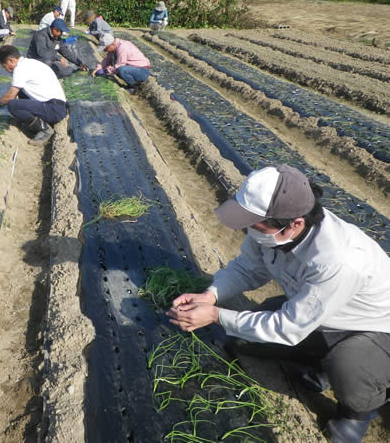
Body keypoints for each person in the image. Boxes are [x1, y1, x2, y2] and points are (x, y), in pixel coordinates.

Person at [166, 164, 390, 443]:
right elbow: (247, 268)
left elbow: (286, 327)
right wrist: (210, 296)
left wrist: (214, 316)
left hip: (374, 329)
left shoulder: (339, 260)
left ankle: (357, 411)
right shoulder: (274, 231)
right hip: (319, 313)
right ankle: (322, 365)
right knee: (242, 341)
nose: (248, 228)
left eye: (254, 222)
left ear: (294, 224)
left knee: (348, 366)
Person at [0, 45, 67, 146]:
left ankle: (44, 129)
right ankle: (36, 120)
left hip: (53, 109)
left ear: (11, 60)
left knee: (13, 105)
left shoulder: (19, 69)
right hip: (57, 106)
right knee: (20, 91)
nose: (6, 69)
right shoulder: (30, 63)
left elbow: (10, 96)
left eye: (4, 66)